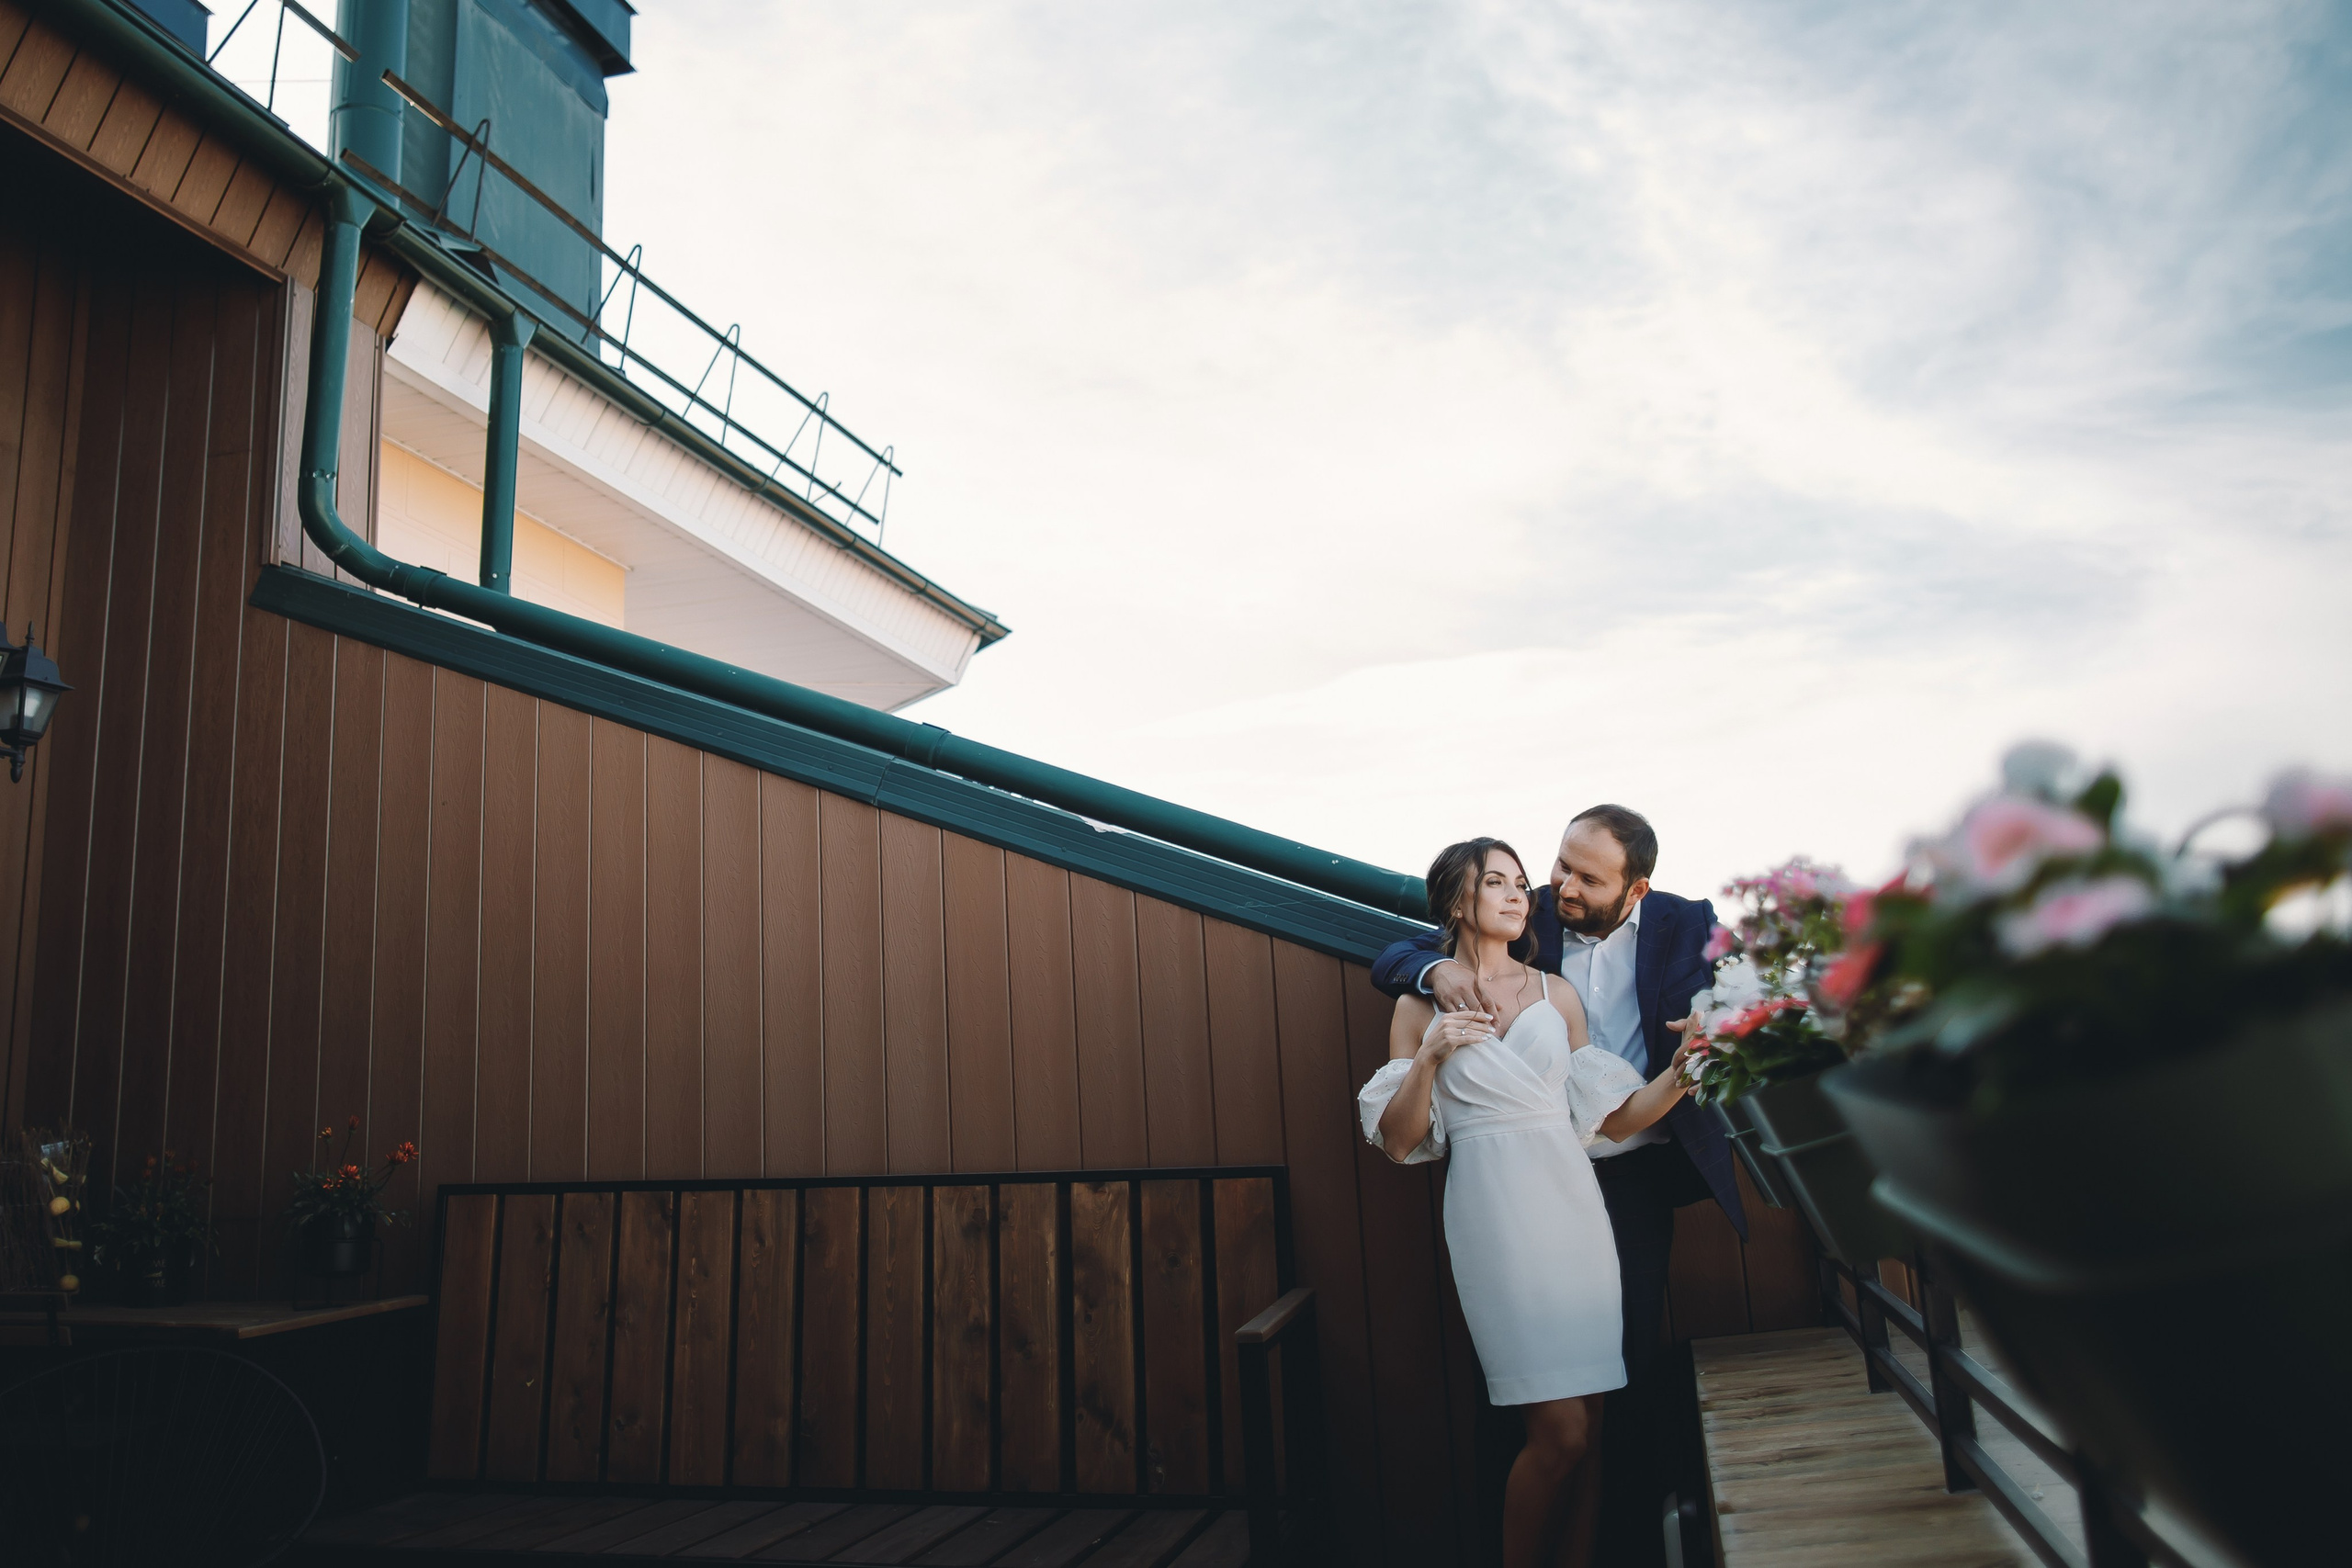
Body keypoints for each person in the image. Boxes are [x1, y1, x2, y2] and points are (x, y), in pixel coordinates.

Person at [1369, 805, 1744, 1566]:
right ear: (1458, 900)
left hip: (1582, 1211)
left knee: (1593, 1431)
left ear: (1634, 887)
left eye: (1524, 880)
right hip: (1494, 1212)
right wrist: (1434, 1047)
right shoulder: (1421, 1002)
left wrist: (1685, 1068)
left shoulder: (1560, 993)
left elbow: (1609, 1115)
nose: (1537, 890)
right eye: (1502, 881)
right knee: (1557, 1432)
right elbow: (1401, 1139)